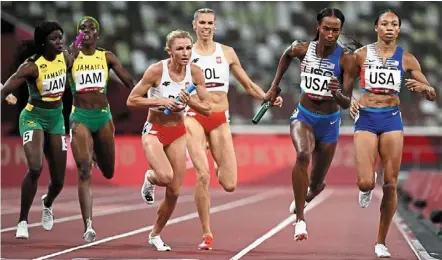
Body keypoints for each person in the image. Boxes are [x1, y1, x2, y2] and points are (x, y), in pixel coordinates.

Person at [155, 8, 282, 250]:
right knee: (202, 175)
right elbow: (168, 80)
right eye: (201, 22)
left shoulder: (227, 52)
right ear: (194, 25)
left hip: (220, 118)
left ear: (215, 25)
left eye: (210, 23)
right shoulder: (185, 54)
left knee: (229, 183)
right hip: (193, 116)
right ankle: (207, 234)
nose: (206, 26)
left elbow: (246, 83)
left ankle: (214, 157)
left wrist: (267, 97)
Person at [265, 7, 359, 241]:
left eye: (335, 30)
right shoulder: (302, 48)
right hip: (304, 115)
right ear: (318, 27)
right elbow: (286, 55)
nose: (330, 34)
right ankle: (300, 219)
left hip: (329, 122)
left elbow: (346, 103)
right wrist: (274, 86)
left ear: (340, 31)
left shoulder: (346, 58)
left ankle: (312, 191)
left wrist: (337, 92)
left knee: (316, 183)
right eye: (326, 28)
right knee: (302, 155)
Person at [349, 10, 436, 258]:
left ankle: (380, 241)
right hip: (365, 118)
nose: (389, 27)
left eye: (394, 24)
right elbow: (343, 85)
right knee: (366, 181)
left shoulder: (407, 59)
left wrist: (425, 87)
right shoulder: (361, 55)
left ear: (398, 30)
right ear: (376, 27)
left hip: (391, 120)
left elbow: (431, 93)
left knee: (391, 183)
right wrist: (349, 100)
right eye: (384, 24)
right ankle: (366, 185)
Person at [127, 29, 211, 251]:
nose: (185, 53)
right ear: (169, 51)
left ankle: (155, 234)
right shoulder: (156, 71)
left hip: (178, 132)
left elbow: (208, 108)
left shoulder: (195, 73)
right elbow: (132, 100)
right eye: (180, 49)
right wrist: (161, 102)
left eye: (188, 48)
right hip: (154, 129)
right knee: (164, 176)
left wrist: (190, 101)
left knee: (174, 192)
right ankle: (150, 177)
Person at [1, 21, 74, 239]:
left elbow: (75, 54)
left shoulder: (66, 58)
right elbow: (7, 86)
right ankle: (22, 221)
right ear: (43, 43)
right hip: (33, 117)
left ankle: (47, 202)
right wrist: (6, 94)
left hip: (56, 120)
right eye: (54, 39)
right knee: (35, 168)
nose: (59, 42)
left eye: (61, 37)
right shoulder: (31, 66)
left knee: (59, 181)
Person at [68, 16, 136, 242]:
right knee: (84, 170)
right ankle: (88, 225)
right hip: (80, 117)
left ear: (97, 34)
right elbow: (57, 74)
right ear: (78, 33)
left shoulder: (105, 56)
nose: (86, 30)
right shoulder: (71, 56)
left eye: (91, 28)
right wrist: (71, 51)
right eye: (82, 28)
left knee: (108, 171)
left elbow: (128, 80)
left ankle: (97, 151)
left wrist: (145, 96)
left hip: (103, 117)